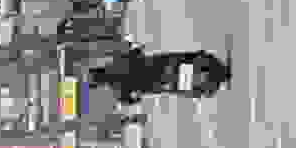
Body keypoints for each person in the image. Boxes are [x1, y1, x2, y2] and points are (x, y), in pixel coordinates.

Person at [90, 45, 230, 102]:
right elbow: (135, 52)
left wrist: (137, 94)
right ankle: (215, 68)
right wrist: (138, 51)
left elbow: (131, 100)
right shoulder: (118, 61)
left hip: (161, 83)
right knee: (188, 58)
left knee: (185, 87)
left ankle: (210, 84)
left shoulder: (117, 90)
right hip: (160, 64)